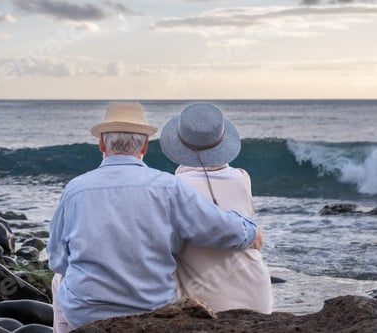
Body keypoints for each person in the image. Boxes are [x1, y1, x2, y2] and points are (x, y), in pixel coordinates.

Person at [46, 102, 262, 332]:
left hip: (86, 314)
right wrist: (250, 230)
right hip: (152, 312)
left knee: (59, 281)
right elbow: (218, 228)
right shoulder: (168, 187)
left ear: (101, 143)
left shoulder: (75, 189)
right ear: (145, 146)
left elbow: (57, 259)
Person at [160, 102, 273, 314]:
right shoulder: (242, 178)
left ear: (180, 142)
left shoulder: (175, 187)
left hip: (206, 299)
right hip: (257, 293)